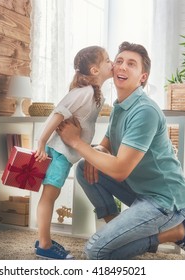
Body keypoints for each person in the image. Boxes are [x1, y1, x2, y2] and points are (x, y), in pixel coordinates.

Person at [56, 41, 185, 260]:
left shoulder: (144, 111)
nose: (122, 66)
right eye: (120, 61)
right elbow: (106, 145)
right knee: (85, 166)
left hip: (165, 201)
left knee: (96, 250)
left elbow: (120, 170)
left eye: (131, 64)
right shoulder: (120, 105)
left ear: (142, 77)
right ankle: (119, 231)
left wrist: (76, 142)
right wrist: (97, 150)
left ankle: (178, 231)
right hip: (140, 191)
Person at [34, 45, 113, 259]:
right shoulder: (84, 92)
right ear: (95, 70)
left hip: (64, 153)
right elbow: (57, 113)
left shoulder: (95, 95)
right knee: (49, 196)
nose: (112, 63)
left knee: (51, 195)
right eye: (108, 60)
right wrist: (41, 142)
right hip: (58, 152)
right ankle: (44, 244)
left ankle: (43, 239)